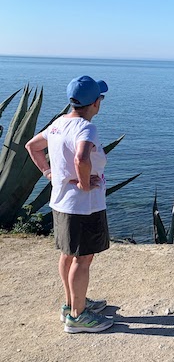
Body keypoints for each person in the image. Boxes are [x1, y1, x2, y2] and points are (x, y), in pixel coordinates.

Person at [25, 75, 113, 333]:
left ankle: (71, 304)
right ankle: (78, 316)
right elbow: (81, 158)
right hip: (84, 206)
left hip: (61, 203)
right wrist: (85, 184)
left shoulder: (57, 124)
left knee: (68, 254)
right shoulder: (87, 128)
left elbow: (32, 146)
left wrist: (48, 173)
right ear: (96, 103)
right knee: (83, 259)